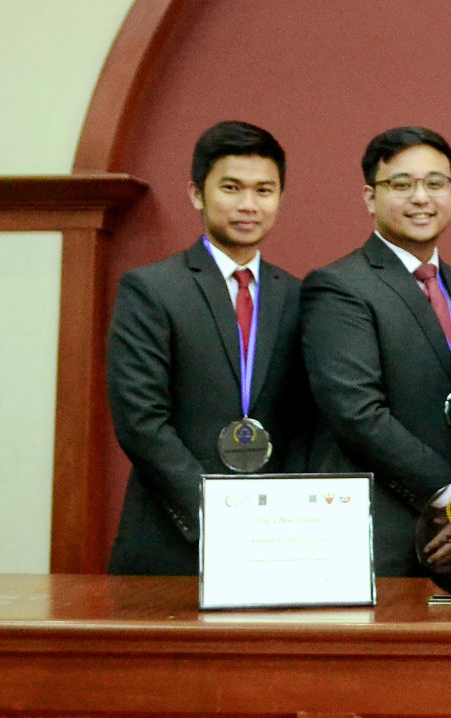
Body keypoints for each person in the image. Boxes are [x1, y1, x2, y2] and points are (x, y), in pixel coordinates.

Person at [107, 120, 313, 574]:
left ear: (280, 198)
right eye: (232, 188)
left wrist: (286, 516)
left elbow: (307, 423)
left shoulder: (302, 297)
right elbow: (141, 422)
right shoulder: (152, 289)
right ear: (197, 194)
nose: (248, 205)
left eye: (264, 190)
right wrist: (216, 513)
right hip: (174, 537)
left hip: (277, 538)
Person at [301, 126, 451, 577]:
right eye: (401, 185)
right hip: (379, 535)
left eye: (435, 184)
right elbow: (356, 413)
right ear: (370, 197)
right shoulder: (339, 287)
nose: (420, 198)